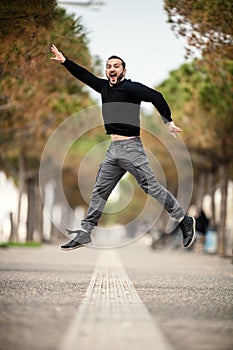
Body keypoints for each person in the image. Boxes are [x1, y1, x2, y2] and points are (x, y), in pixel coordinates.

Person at [50, 44, 196, 251]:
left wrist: (168, 122)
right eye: (109, 66)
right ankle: (85, 233)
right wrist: (65, 61)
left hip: (131, 148)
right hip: (113, 150)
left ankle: (183, 219)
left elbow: (157, 96)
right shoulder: (102, 88)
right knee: (100, 191)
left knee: (150, 186)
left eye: (116, 66)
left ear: (123, 71)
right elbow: (84, 75)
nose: (112, 69)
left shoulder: (131, 88)